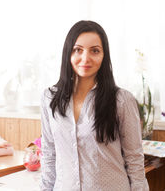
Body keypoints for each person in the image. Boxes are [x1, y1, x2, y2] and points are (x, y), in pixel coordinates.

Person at [40, 20, 149, 191]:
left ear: (104, 55)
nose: (85, 58)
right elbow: (49, 154)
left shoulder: (122, 100)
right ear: (68, 53)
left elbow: (134, 159)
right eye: (78, 50)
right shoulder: (49, 98)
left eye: (95, 51)